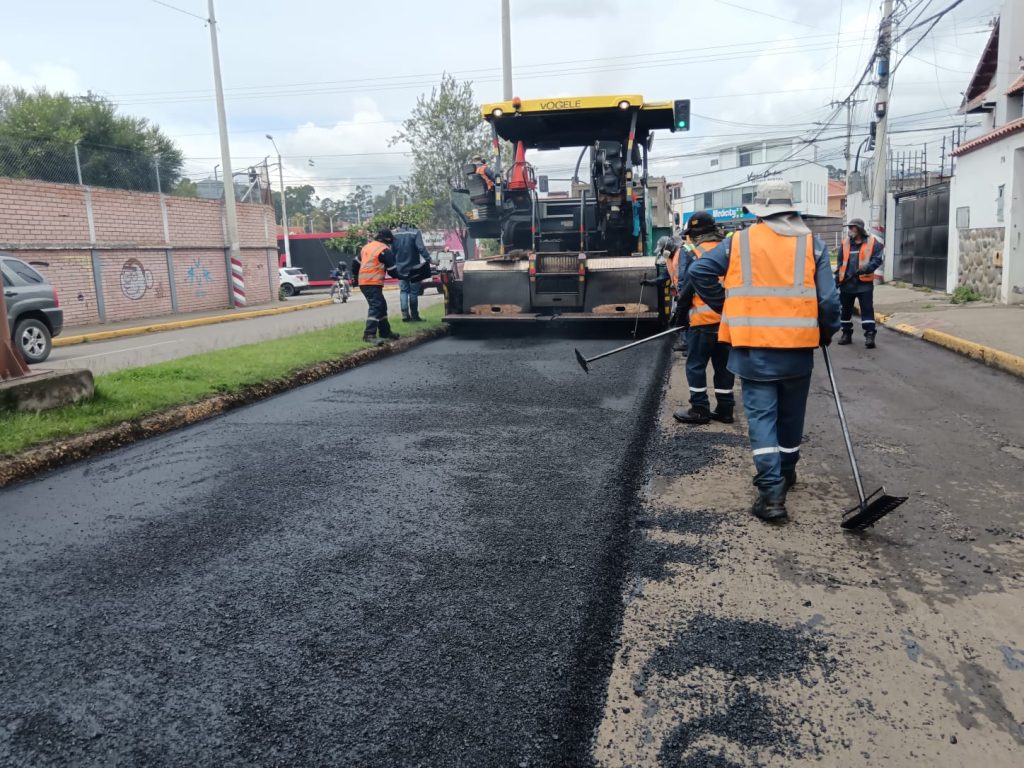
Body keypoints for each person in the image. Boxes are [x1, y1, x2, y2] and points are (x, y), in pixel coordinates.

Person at [689, 180, 841, 523]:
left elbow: (700, 270)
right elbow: (830, 301)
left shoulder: (739, 242)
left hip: (753, 348)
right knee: (791, 416)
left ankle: (771, 493)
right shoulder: (812, 244)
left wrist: (724, 306)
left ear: (760, 211)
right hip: (798, 351)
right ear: (792, 209)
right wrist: (826, 333)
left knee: (761, 419)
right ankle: (786, 473)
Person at [673, 211, 735, 425]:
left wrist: (679, 315)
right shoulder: (729, 249)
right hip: (728, 320)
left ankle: (699, 408)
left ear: (693, 234)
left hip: (702, 322)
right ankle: (726, 409)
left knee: (696, 365)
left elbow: (686, 286)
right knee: (724, 366)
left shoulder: (692, 252)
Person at [835, 217, 883, 348]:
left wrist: (865, 269)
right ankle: (846, 334)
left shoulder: (873, 242)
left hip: (864, 284)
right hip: (846, 284)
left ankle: (870, 335)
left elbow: (877, 260)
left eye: (852, 227)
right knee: (845, 311)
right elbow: (840, 264)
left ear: (860, 228)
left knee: (867, 310)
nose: (849, 229)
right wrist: (836, 280)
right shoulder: (845, 243)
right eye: (849, 227)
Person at [353, 229, 401, 345]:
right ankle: (369, 335)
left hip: (364, 282)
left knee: (381, 306)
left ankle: (385, 332)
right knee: (376, 306)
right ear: (388, 239)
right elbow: (392, 271)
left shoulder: (367, 247)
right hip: (372, 282)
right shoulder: (384, 250)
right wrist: (405, 276)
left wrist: (355, 277)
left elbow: (355, 263)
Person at [392, 221, 432, 322]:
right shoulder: (415, 233)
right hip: (415, 269)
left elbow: (392, 252)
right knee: (413, 292)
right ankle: (415, 315)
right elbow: (421, 248)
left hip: (400, 269)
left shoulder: (394, 234)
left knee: (404, 291)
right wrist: (430, 260)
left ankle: (405, 315)